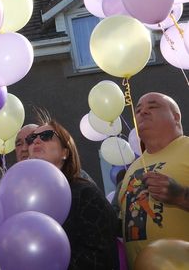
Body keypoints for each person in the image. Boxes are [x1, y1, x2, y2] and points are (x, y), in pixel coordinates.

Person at [28, 119, 119, 269]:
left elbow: (98, 257)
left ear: (65, 152)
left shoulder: (85, 194)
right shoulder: (30, 201)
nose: (36, 140)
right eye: (31, 139)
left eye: (46, 135)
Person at [118, 92, 189, 269]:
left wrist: (181, 196)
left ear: (176, 116)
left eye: (153, 106)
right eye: (138, 110)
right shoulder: (132, 168)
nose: (143, 112)